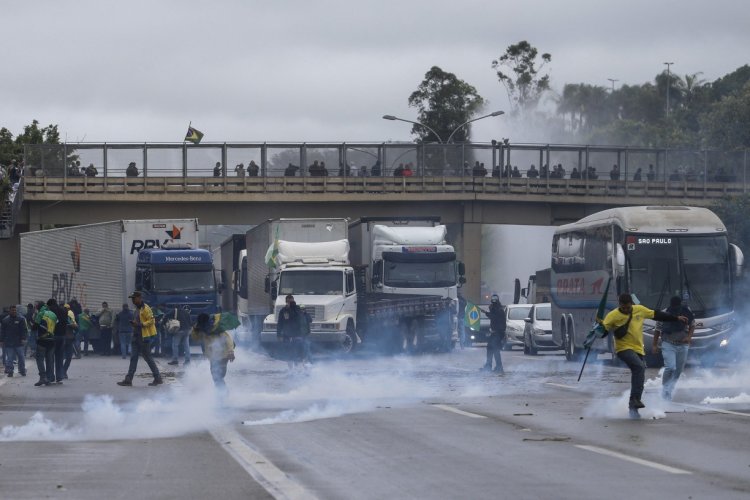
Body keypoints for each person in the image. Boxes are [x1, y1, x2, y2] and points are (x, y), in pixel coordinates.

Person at [602, 293, 687, 419]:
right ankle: (634, 400)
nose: (626, 310)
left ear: (632, 304)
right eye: (623, 308)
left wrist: (675, 318)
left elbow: (657, 315)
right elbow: (603, 332)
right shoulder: (612, 315)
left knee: (640, 374)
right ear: (619, 305)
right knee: (639, 367)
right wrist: (599, 330)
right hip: (623, 349)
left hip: (638, 349)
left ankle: (634, 408)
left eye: (628, 307)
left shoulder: (639, 310)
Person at [652, 296, 695, 401]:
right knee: (670, 367)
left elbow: (692, 325)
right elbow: (657, 330)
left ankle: (669, 390)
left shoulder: (686, 311)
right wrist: (654, 345)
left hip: (683, 345)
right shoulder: (664, 313)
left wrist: (689, 337)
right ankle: (665, 389)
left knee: (678, 371)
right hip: (668, 344)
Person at [117, 291, 163, 387]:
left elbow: (152, 320)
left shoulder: (146, 308)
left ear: (139, 298)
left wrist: (140, 324)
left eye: (134, 298)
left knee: (148, 358)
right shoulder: (137, 309)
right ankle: (128, 379)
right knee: (134, 358)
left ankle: (158, 377)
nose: (133, 300)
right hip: (136, 336)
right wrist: (134, 323)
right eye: (132, 298)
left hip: (144, 337)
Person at [191, 313, 235, 388]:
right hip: (213, 357)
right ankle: (221, 393)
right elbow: (196, 339)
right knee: (216, 377)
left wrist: (230, 351)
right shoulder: (201, 329)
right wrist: (194, 330)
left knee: (218, 376)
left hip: (223, 355)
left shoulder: (217, 328)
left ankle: (222, 393)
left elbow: (228, 339)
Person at [276, 294, 305, 369]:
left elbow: (299, 318)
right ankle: (290, 369)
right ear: (285, 302)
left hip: (297, 334)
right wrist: (278, 334)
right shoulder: (283, 310)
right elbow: (280, 322)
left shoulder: (297, 309)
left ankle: (298, 366)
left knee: (298, 351)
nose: (289, 303)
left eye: (290, 301)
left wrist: (292, 307)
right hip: (287, 334)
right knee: (288, 351)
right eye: (287, 301)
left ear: (293, 301)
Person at [33, 301, 57, 386]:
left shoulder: (40, 313)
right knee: (49, 360)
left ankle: (43, 378)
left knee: (39, 359)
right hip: (52, 340)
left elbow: (35, 327)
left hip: (42, 340)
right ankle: (49, 378)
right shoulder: (53, 314)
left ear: (38, 307)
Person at [480, 294, 506, 373]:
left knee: (495, 349)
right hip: (496, 333)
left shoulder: (498, 310)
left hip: (498, 333)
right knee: (491, 348)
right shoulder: (497, 308)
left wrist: (486, 312)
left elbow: (494, 317)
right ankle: (491, 366)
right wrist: (487, 312)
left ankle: (497, 367)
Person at [2, 305, 28, 377]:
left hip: (19, 342)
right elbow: (2, 331)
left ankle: (22, 370)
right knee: (9, 358)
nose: (14, 311)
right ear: (9, 311)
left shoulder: (21, 319)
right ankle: (10, 371)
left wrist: (23, 338)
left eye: (15, 310)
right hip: (8, 342)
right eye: (12, 310)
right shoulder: (5, 320)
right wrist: (1, 340)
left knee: (21, 357)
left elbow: (24, 330)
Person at [47, 299, 68, 384]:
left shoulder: (49, 312)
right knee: (59, 357)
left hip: (53, 336)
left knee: (50, 357)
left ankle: (51, 377)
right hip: (62, 336)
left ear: (50, 305)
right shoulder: (63, 310)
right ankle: (59, 377)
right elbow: (66, 322)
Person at [62, 304, 78, 378]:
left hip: (69, 339)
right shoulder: (58, 317)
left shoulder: (69, 317)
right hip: (62, 339)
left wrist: (71, 325)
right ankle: (62, 372)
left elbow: (75, 326)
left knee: (68, 357)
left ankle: (63, 371)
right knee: (62, 357)